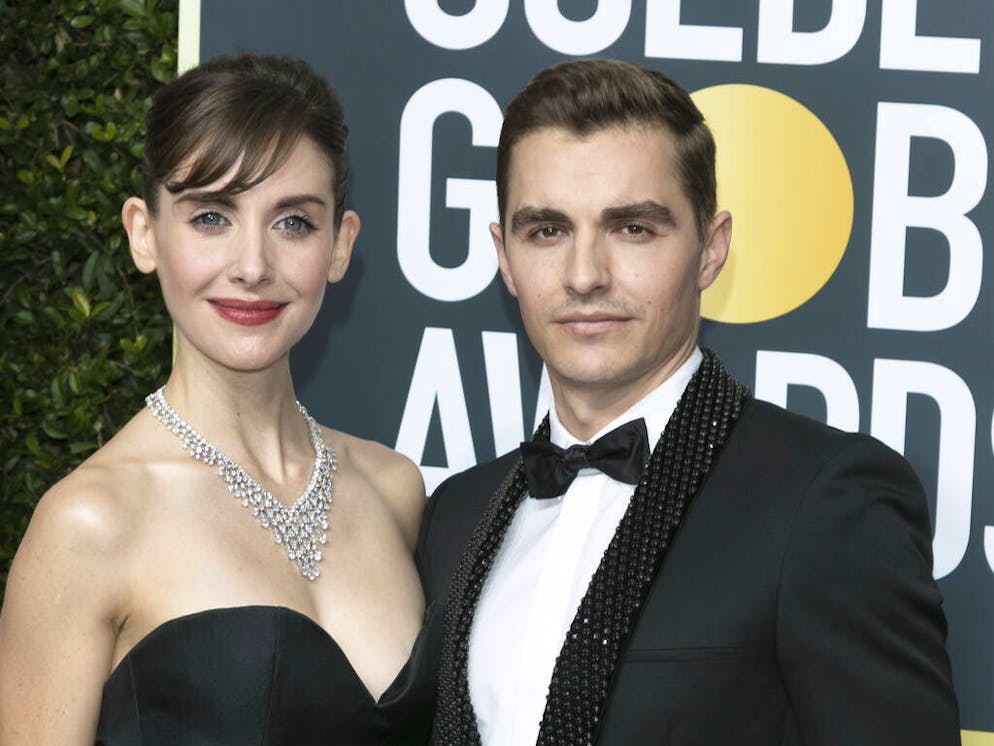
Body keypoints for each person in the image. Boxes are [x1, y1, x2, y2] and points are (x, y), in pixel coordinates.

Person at [416, 59, 959, 745]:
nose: (584, 275)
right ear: (504, 255)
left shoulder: (824, 503)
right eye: (548, 231)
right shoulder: (456, 516)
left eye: (632, 229)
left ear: (710, 249)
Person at [0, 54, 438, 745]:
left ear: (340, 245)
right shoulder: (89, 525)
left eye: (293, 222)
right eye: (211, 217)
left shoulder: (394, 490)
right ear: (144, 233)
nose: (253, 266)